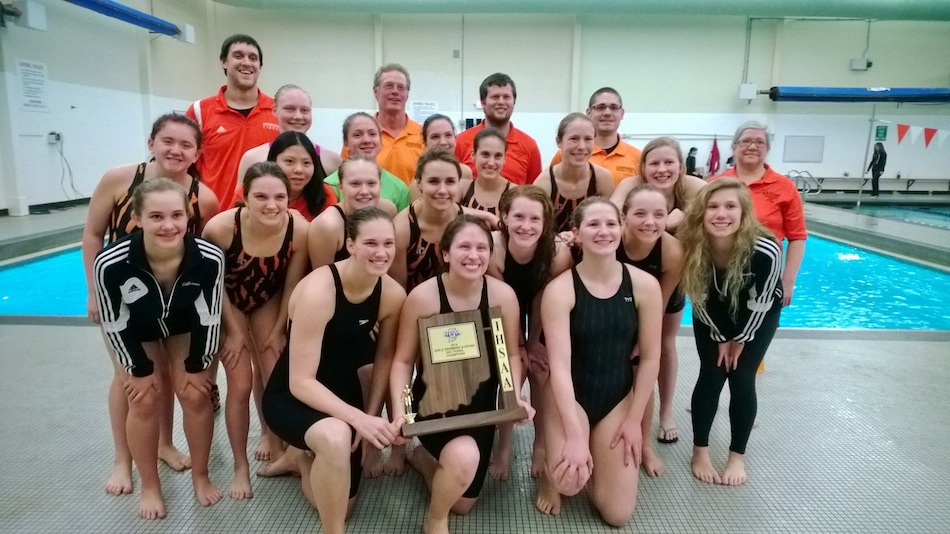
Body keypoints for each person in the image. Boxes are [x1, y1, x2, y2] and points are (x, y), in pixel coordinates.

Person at [82, 113, 219, 496]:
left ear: (197, 152)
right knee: (135, 381)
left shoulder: (202, 197)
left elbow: (203, 258)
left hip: (175, 304)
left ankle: (164, 444)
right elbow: (93, 235)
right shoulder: (119, 179)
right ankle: (122, 460)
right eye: (167, 141)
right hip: (128, 298)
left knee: (176, 382)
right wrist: (94, 290)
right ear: (151, 143)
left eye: (186, 144)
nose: (176, 150)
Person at [262, 207, 406, 534]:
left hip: (342, 392)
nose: (381, 252)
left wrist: (371, 415)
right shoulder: (319, 291)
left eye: (388, 243)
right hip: (293, 396)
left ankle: (301, 457)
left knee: (347, 502)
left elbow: (386, 359)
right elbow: (300, 382)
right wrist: (358, 420)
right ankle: (332, 528)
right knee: (336, 437)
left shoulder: (392, 295)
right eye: (370, 243)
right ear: (351, 245)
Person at [388, 215, 533, 534]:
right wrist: (402, 413)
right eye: (464, 246)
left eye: (482, 247)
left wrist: (514, 398)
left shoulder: (502, 296)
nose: (474, 255)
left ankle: (424, 460)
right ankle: (435, 520)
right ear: (446, 253)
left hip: (479, 412)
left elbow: (508, 354)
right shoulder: (424, 298)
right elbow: (402, 363)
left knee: (465, 504)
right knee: (464, 460)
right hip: (434, 408)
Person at [93, 178, 225, 519]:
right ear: (137, 217)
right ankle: (150, 485)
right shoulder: (111, 262)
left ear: (187, 215)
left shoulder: (209, 257)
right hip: (138, 330)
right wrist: (136, 370)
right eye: (156, 217)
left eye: (177, 215)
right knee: (144, 398)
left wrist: (199, 365)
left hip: (182, 327)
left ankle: (201, 475)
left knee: (196, 395)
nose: (168, 225)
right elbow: (113, 323)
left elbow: (210, 317)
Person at [534, 198, 662, 526]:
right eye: (593, 224)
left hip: (617, 397)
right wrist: (575, 436)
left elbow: (649, 358)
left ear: (621, 227)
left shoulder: (645, 286)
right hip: (570, 393)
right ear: (576, 233)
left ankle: (599, 462)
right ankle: (554, 466)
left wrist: (634, 421)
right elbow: (559, 367)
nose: (603, 231)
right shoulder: (560, 290)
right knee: (567, 483)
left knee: (617, 515)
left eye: (610, 223)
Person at [202, 162, 310, 486]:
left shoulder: (299, 229)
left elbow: (291, 285)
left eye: (280, 197)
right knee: (240, 382)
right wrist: (233, 333)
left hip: (267, 297)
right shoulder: (221, 229)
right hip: (228, 301)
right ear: (244, 197)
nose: (271, 205)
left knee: (274, 370)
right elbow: (214, 284)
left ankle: (275, 441)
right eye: (260, 196)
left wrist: (279, 329)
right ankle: (240, 468)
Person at [677, 178, 783, 486]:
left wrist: (742, 339)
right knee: (711, 373)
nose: (720, 214)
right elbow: (697, 297)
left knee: (741, 375)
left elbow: (762, 302)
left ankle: (737, 456)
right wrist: (721, 337)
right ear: (701, 212)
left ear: (743, 212)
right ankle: (700, 450)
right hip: (711, 312)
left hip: (758, 314)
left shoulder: (765, 248)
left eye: (729, 206)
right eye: (713, 206)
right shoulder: (691, 242)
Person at [486, 185, 572, 481]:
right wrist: (518, 345)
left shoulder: (558, 254)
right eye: (518, 217)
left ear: (546, 223)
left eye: (535, 219)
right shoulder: (492, 249)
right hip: (503, 308)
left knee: (541, 370)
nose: (526, 225)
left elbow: (542, 300)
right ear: (504, 217)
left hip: (542, 311)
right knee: (511, 372)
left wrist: (533, 341)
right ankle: (504, 446)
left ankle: (540, 444)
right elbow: (505, 299)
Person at [618, 184, 684, 467]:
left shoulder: (671, 251)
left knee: (643, 369)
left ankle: (645, 445)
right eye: (640, 213)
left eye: (659, 215)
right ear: (624, 216)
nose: (650, 222)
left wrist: (640, 345)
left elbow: (659, 305)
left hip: (656, 303)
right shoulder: (610, 240)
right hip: (619, 302)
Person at [710, 121, 806, 306]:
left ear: (768, 149)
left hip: (764, 278)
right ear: (734, 147)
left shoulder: (785, 187)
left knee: (755, 334)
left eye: (760, 142)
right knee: (714, 334)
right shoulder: (715, 184)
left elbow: (797, 237)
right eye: (745, 141)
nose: (752, 147)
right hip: (718, 275)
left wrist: (788, 281)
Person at [186, 34, 279, 211]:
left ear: (260, 67)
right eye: (238, 56)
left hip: (266, 217)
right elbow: (183, 168)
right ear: (224, 62)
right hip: (215, 219)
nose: (246, 62)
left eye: (253, 58)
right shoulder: (199, 111)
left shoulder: (278, 110)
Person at [391, 147, 498, 292]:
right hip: (416, 306)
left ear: (458, 183)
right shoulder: (402, 229)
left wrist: (490, 216)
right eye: (434, 181)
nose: (442, 190)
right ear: (419, 182)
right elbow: (398, 288)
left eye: (450, 182)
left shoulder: (469, 222)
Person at [236, 84, 343, 186]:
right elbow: (240, 202)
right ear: (274, 110)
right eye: (289, 109)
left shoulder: (332, 160)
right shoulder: (252, 158)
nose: (298, 116)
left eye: (304, 110)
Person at [339, 64, 425, 185]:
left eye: (401, 87)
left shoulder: (423, 135)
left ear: (407, 95)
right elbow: (344, 176)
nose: (395, 91)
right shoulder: (359, 137)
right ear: (376, 91)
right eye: (389, 86)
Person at [309, 154, 397, 268]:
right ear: (340, 187)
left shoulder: (388, 211)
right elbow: (321, 278)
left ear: (380, 185)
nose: (364, 191)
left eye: (371, 183)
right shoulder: (328, 225)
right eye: (355, 184)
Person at [533, 113, 615, 233]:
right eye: (574, 139)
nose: (581, 146)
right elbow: (536, 229)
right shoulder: (544, 184)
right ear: (559, 142)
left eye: (588, 139)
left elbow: (609, 224)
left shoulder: (602, 178)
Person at [455, 73, 542, 185]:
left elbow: (534, 192)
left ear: (514, 102)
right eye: (495, 97)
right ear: (482, 102)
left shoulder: (529, 146)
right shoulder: (461, 142)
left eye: (506, 97)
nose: (501, 102)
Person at [610, 136, 706, 235]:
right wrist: (664, 225)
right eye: (654, 163)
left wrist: (688, 217)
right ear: (643, 168)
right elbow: (609, 218)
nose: (662, 170)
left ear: (680, 167)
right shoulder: (631, 185)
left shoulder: (694, 186)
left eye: (669, 162)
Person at [549, 87, 642, 185]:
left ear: (622, 113)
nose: (607, 113)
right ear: (588, 112)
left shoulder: (638, 157)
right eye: (600, 107)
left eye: (614, 107)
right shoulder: (566, 154)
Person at [325, 112, 411, 212]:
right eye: (357, 135)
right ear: (346, 143)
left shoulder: (399, 188)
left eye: (372, 134)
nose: (366, 140)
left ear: (380, 140)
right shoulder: (329, 186)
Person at [266, 131, 337, 221]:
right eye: (289, 161)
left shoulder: (325, 195)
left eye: (306, 163)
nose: (299, 170)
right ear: (273, 161)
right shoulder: (253, 189)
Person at [459, 128, 515, 216]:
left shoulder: (515, 193)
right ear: (473, 155)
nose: (491, 163)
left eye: (498, 156)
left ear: (504, 159)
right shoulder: (462, 189)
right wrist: (489, 217)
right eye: (485, 154)